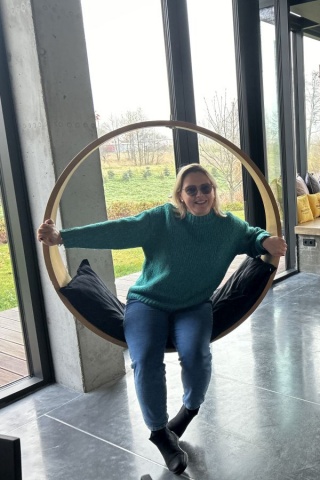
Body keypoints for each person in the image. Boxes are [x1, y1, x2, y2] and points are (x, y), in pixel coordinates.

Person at [37, 163, 287, 475]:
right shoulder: (163, 218)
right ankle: (159, 432)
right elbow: (118, 230)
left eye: (205, 188)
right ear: (180, 195)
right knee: (145, 359)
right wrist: (62, 237)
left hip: (194, 305)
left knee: (197, 355)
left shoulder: (227, 226)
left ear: (214, 191)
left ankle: (187, 413)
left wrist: (265, 241)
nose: (199, 195)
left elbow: (251, 236)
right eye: (191, 189)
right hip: (147, 303)